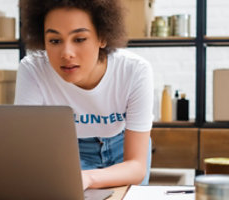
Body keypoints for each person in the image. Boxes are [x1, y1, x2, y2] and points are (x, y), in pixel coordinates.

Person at [15, 0, 154, 189]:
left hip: (123, 148)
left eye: (79, 39)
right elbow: (26, 152)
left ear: (102, 37)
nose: (66, 53)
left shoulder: (134, 71)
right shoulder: (33, 70)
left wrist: (88, 178)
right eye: (55, 41)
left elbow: (136, 167)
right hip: (68, 152)